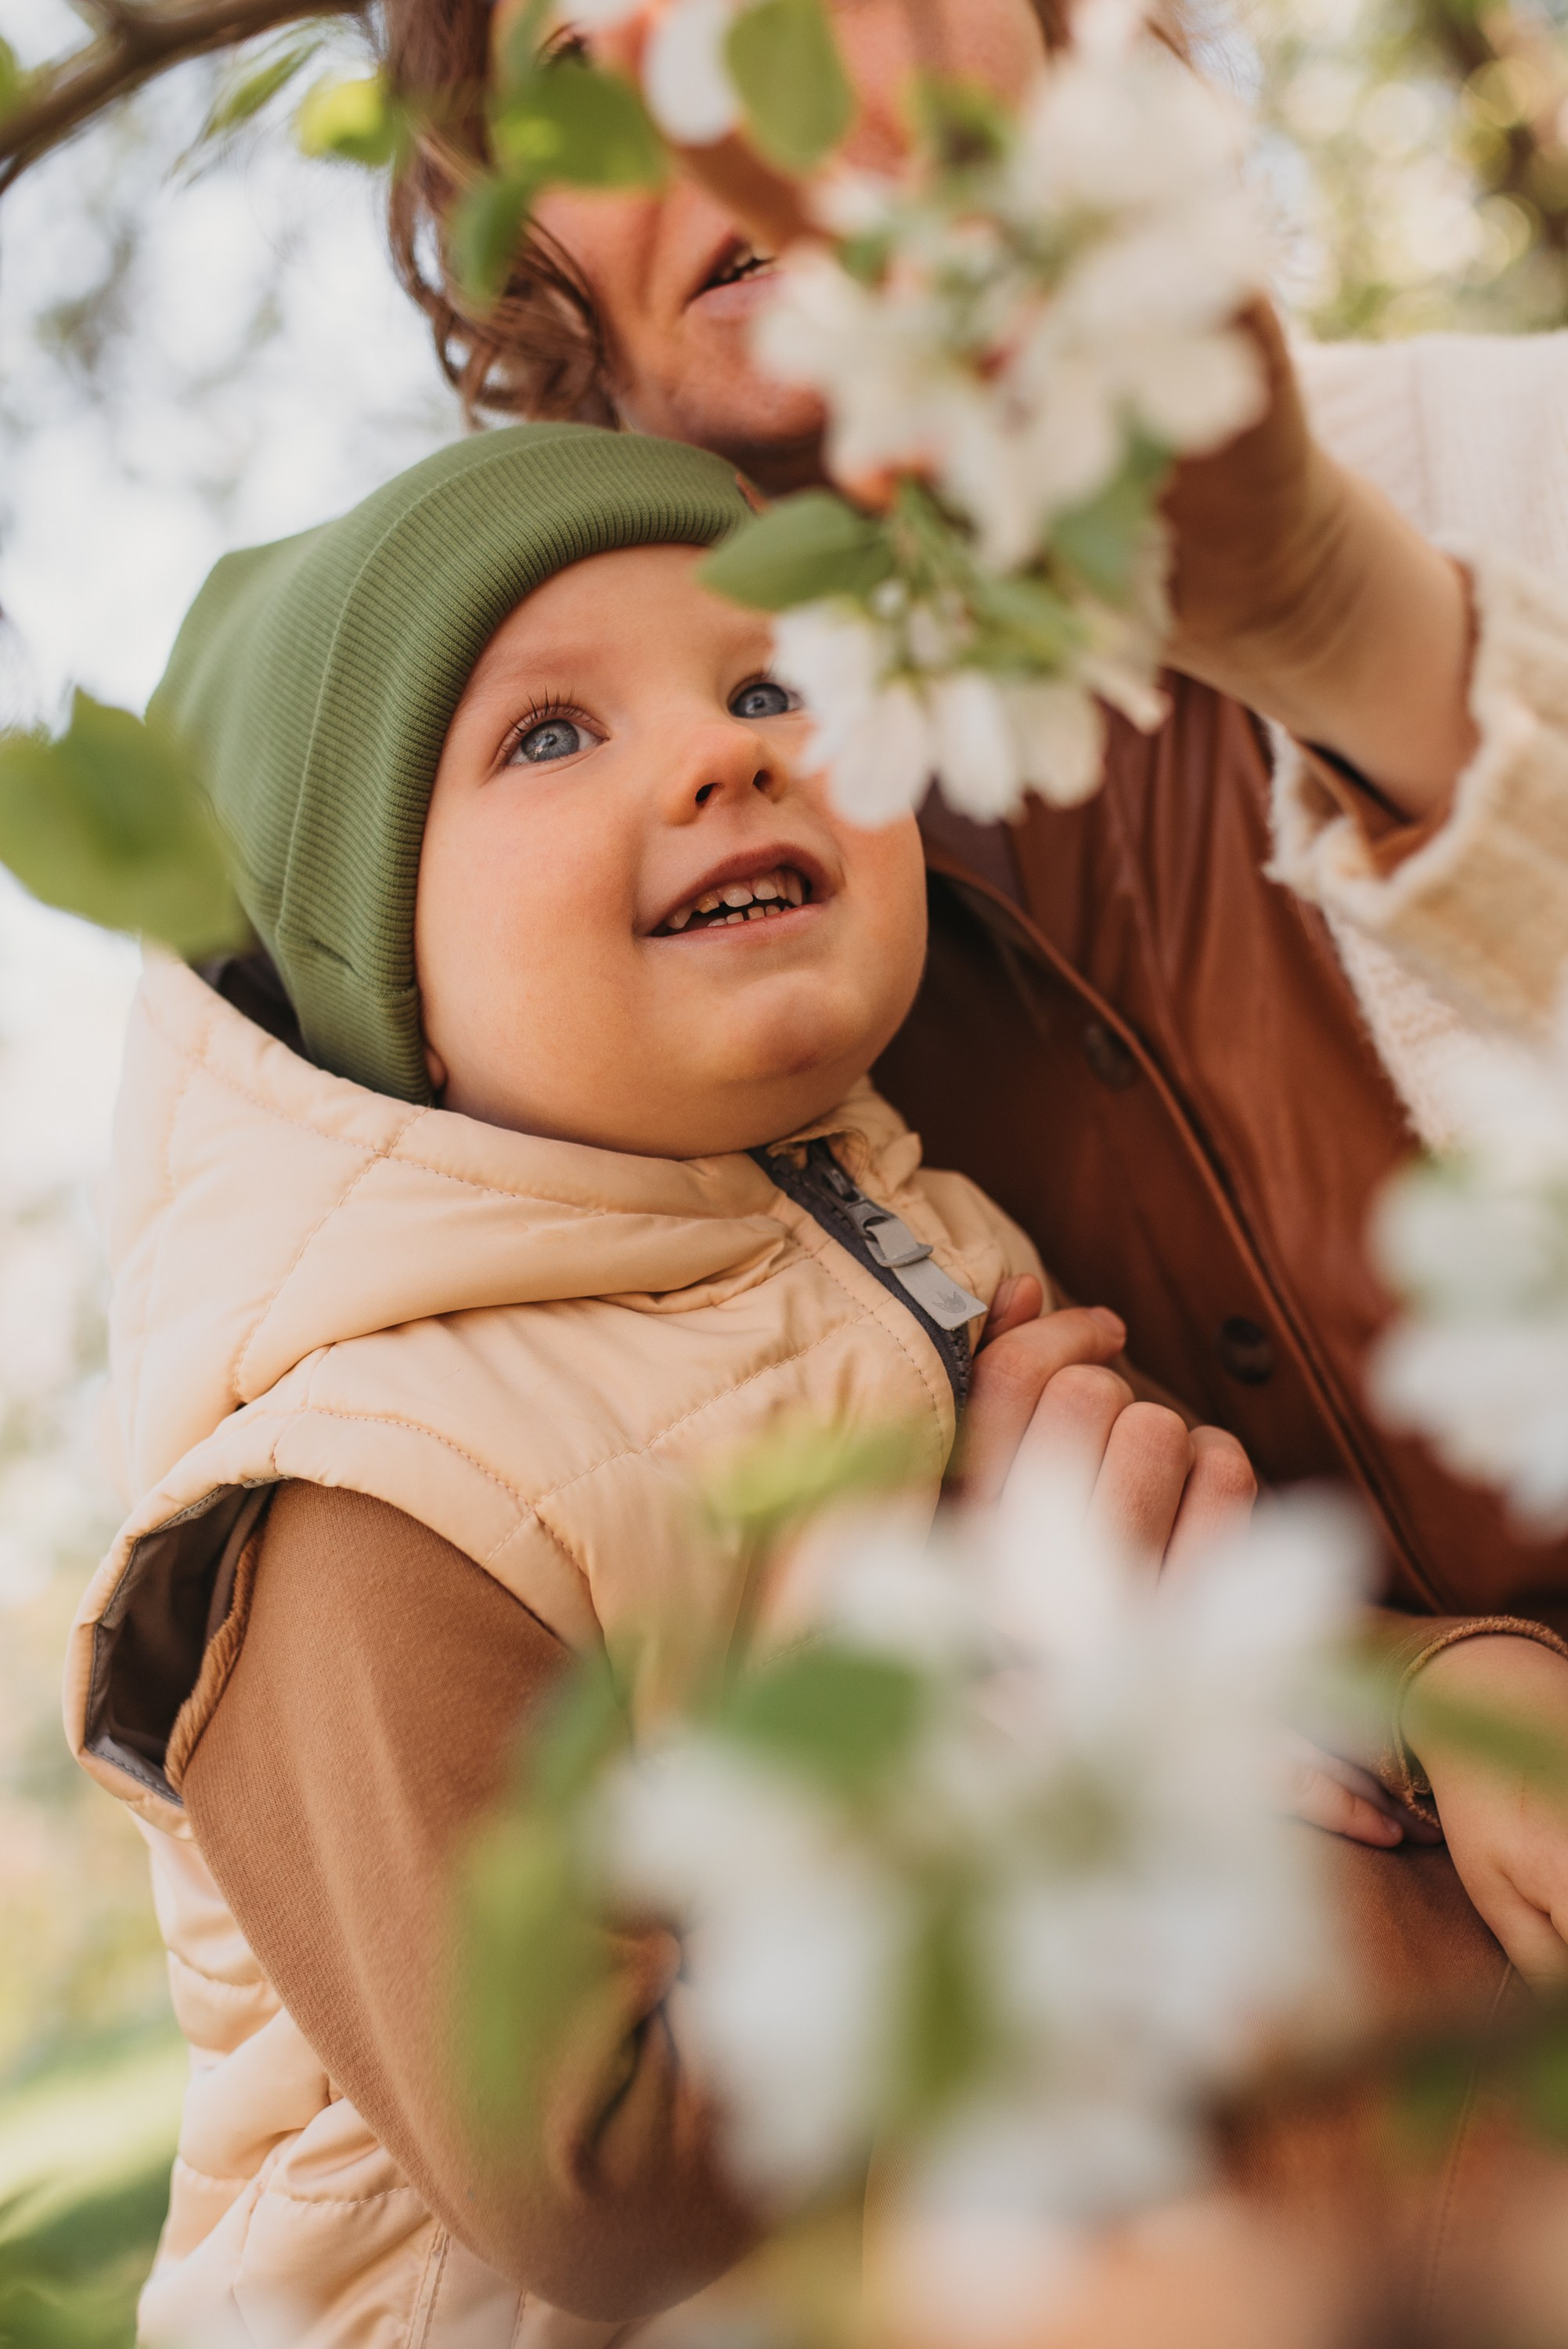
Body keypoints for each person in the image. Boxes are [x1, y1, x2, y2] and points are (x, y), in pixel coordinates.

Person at [381, 0, 1568, 1984]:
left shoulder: (1519, 465)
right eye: (588, 50)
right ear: (523, 241)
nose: (716, 85)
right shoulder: (490, 901)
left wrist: (1340, 629)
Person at [66, 423, 1265, 2346]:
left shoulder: (910, 1233)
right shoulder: (373, 1499)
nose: (734, 751)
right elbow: (602, 2188)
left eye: (775, 683)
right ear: (378, 972)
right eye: (549, 734)